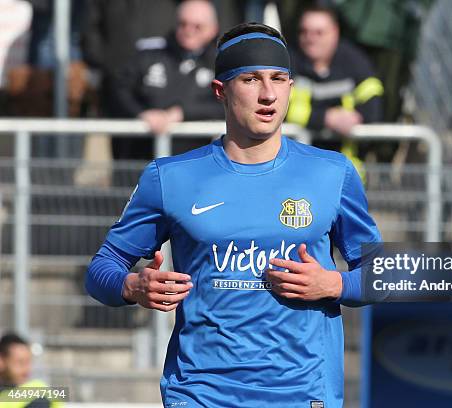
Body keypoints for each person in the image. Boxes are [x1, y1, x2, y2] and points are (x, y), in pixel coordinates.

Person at [86, 22, 381, 407]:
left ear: (292, 87)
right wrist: (132, 286)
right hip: (200, 394)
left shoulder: (332, 173)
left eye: (279, 79)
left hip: (301, 394)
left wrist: (333, 285)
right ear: (221, 91)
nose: (268, 94)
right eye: (251, 80)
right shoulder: (170, 177)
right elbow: (100, 269)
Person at [111, 0, 225, 160]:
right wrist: (141, 113)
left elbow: (228, 104)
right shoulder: (149, 56)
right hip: (142, 158)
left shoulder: (222, 64)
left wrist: (182, 113)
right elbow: (120, 88)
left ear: (213, 29)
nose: (189, 31)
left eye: (197, 26)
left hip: (192, 160)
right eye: (183, 24)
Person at [285, 6, 384, 173]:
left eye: (319, 32)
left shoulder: (354, 60)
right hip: (297, 172)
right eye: (304, 32)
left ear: (335, 32)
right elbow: (282, 108)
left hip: (345, 174)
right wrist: (327, 118)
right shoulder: (287, 60)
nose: (310, 38)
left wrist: (357, 118)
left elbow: (373, 100)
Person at [0, 333, 61, 408]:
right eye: (20, 362)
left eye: (28, 362)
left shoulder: (37, 395)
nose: (27, 369)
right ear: (1, 360)